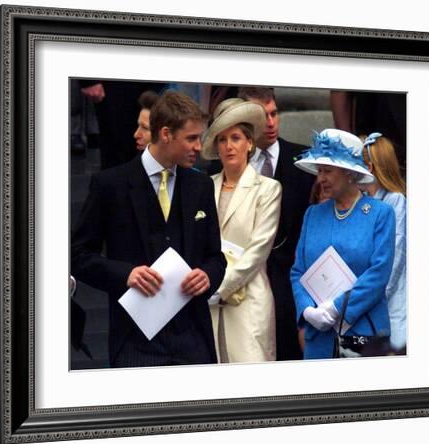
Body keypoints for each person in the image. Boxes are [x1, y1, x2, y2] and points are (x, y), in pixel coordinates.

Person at [71, 91, 226, 368]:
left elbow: (216, 257)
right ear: (166, 134)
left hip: (194, 339)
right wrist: (125, 274)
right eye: (191, 138)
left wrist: (208, 275)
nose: (199, 147)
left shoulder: (200, 186)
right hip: (134, 341)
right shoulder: (110, 185)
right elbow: (78, 256)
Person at [291, 128, 396, 359]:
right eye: (319, 171)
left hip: (363, 334)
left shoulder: (380, 213)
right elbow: (298, 271)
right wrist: (308, 310)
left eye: (327, 170)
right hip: (319, 337)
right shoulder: (313, 214)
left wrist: (337, 307)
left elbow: (379, 274)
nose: (320, 179)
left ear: (349, 173)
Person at [202, 98, 281, 363]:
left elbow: (258, 250)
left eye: (235, 138)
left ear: (249, 143)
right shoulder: (204, 186)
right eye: (222, 140)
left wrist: (218, 286)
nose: (228, 146)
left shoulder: (268, 189)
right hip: (207, 303)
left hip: (249, 301)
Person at [237, 86, 313, 360]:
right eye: (261, 116)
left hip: (292, 283)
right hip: (244, 282)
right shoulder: (231, 166)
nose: (270, 123)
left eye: (274, 113)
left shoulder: (306, 162)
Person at [361, 132, 407, 354]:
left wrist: (370, 297)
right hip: (368, 297)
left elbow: (395, 255)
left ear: (368, 168)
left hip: (389, 296)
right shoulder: (364, 203)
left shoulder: (396, 200)